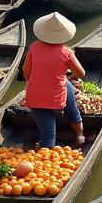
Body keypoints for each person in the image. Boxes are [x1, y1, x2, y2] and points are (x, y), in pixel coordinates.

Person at [23, 12, 85, 148]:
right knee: (69, 95)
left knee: (48, 136)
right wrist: (70, 74)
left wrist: (39, 79)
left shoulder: (34, 47)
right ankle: (80, 135)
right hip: (57, 98)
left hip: (36, 96)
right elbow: (81, 73)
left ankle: (43, 147)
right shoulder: (67, 52)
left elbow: (26, 73)